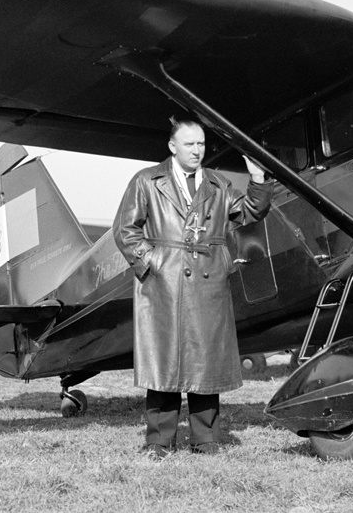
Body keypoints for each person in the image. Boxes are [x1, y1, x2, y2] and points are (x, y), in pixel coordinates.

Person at [113, 117, 272, 457]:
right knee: (164, 363)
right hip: (163, 285)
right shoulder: (146, 181)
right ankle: (158, 441)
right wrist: (153, 264)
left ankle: (206, 440)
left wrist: (257, 177)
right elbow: (125, 230)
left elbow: (251, 212)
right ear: (173, 146)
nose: (197, 150)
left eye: (201, 143)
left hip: (209, 283)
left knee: (206, 364)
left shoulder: (217, 184)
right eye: (189, 144)